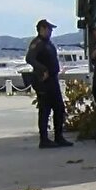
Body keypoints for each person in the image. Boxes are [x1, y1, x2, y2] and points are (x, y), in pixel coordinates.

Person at [25, 19, 73, 148]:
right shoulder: (37, 43)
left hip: (53, 79)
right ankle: (44, 139)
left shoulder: (48, 43)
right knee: (45, 109)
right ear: (42, 29)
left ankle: (59, 137)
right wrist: (43, 69)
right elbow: (29, 58)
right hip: (44, 81)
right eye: (49, 29)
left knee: (59, 108)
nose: (51, 32)